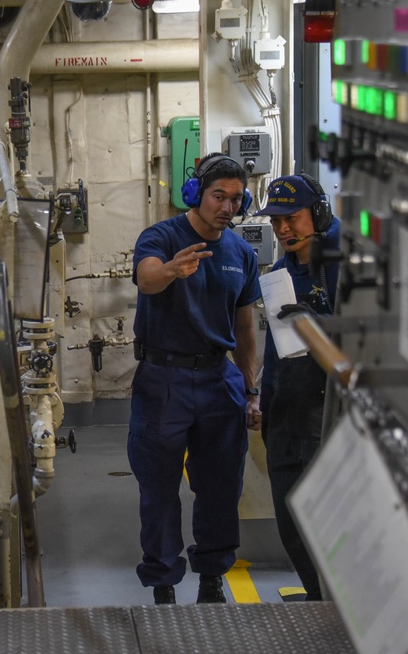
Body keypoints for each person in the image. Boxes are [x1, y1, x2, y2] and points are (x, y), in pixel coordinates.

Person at [129, 153, 262, 605]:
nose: (226, 207)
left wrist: (250, 389)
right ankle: (163, 582)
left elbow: (245, 328)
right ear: (197, 195)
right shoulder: (162, 237)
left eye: (236, 199)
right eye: (218, 196)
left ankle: (211, 576)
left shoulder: (241, 254)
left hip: (217, 379)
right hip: (162, 380)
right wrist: (169, 270)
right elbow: (146, 280)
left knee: (222, 486)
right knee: (159, 486)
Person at [255, 173, 341, 602]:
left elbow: (369, 340)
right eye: (276, 221)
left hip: (332, 416)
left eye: (292, 218)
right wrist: (265, 405)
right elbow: (273, 350)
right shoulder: (280, 273)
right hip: (289, 412)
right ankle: (318, 599)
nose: (284, 229)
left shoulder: (347, 260)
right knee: (294, 522)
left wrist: (319, 325)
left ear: (319, 213)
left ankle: (344, 610)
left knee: (335, 525)